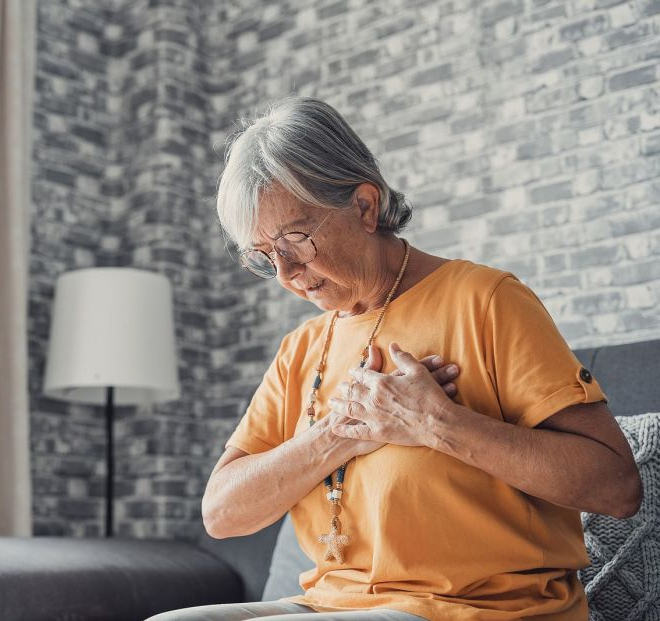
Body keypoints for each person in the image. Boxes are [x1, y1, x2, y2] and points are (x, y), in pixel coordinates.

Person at [147, 97, 643, 621]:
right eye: (264, 256)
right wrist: (340, 432)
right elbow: (221, 513)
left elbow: (616, 486)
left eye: (295, 239)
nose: (287, 272)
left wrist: (438, 423)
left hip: (479, 609)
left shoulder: (486, 300)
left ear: (364, 206)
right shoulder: (300, 349)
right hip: (329, 604)